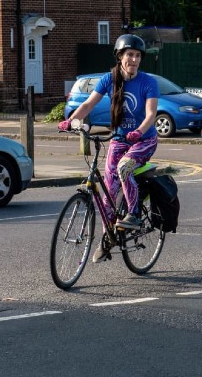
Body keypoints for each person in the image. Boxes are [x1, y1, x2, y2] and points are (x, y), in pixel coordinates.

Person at [58, 34, 159, 262]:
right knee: (107, 194)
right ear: (120, 56)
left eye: (137, 56)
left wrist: (139, 132)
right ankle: (107, 239)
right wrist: (71, 121)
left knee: (125, 167)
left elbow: (151, 114)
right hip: (119, 139)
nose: (133, 59)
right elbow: (88, 104)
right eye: (129, 55)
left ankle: (133, 214)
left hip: (144, 140)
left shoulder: (148, 82)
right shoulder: (109, 79)